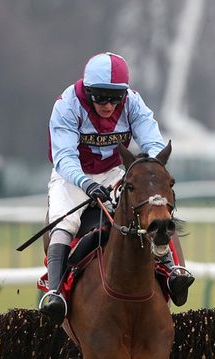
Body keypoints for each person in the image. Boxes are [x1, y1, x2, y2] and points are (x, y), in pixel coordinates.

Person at [39, 52, 195, 323]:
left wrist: (151, 169)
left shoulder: (133, 102)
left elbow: (153, 142)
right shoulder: (67, 105)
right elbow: (64, 157)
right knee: (65, 223)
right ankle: (55, 293)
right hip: (71, 177)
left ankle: (172, 271)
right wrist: (86, 184)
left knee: (146, 211)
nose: (108, 105)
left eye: (114, 98)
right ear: (88, 92)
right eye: (100, 97)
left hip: (113, 173)